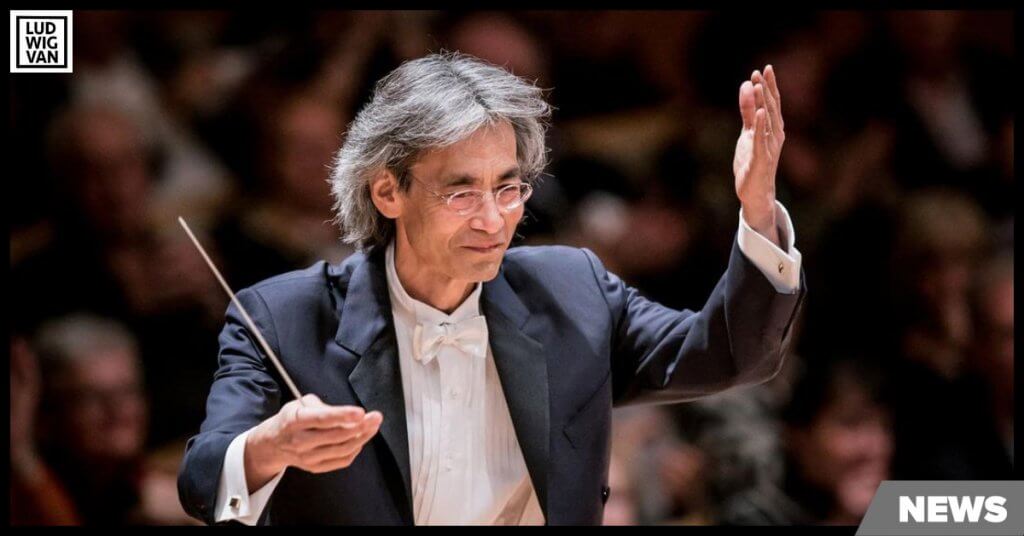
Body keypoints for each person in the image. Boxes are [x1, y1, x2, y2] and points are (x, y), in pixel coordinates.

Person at [178, 52, 806, 525]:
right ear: (387, 191)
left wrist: (757, 213)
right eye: (461, 192)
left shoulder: (573, 292)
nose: (492, 220)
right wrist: (268, 448)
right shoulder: (283, 318)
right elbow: (203, 481)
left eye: (508, 188)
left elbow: (729, 354)